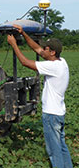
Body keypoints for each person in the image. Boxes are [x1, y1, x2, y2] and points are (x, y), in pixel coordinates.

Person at [7, 24, 73, 168]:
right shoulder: (62, 62)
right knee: (61, 147)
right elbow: (37, 49)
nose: (43, 50)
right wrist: (23, 34)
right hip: (59, 113)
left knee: (54, 151)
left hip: (51, 115)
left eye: (46, 49)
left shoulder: (53, 67)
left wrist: (14, 44)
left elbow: (24, 62)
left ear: (53, 52)